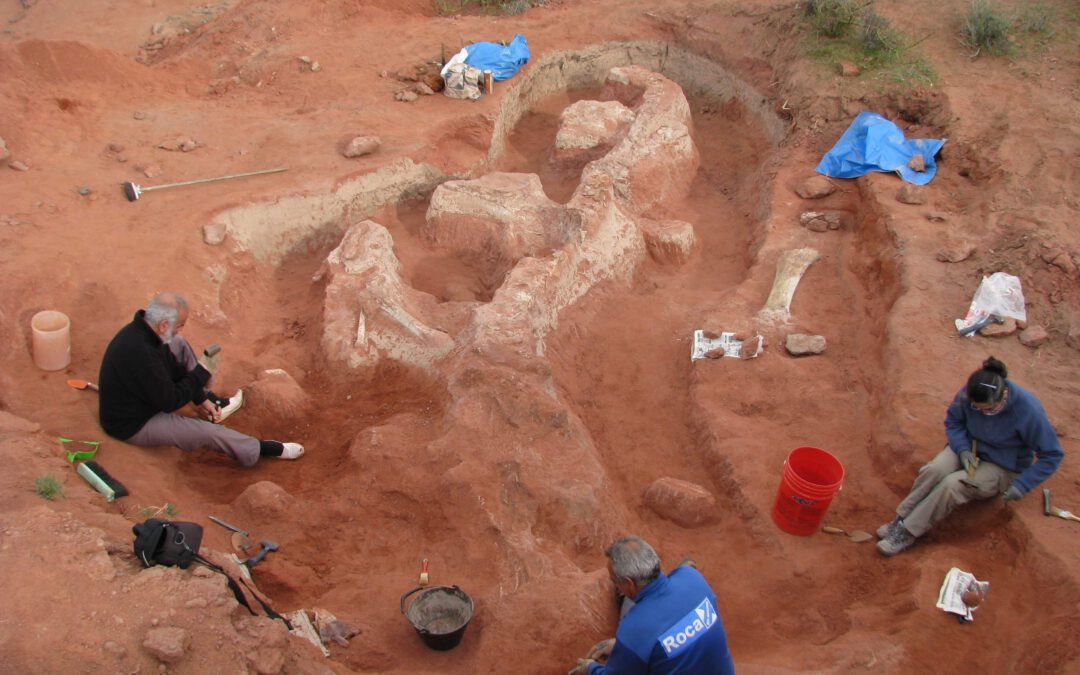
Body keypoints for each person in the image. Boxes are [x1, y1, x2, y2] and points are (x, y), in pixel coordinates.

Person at [877, 356, 1063, 556]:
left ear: (1003, 396)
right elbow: (954, 421)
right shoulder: (970, 393)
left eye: (988, 409)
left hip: (1003, 465)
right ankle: (901, 518)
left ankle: (907, 532)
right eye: (976, 408)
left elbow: (1052, 454)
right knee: (935, 469)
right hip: (970, 446)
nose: (981, 412)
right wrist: (963, 449)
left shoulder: (1028, 411)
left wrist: (1022, 485)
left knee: (953, 485)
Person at [99, 292, 304, 467]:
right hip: (133, 423)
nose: (180, 330)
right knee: (205, 432)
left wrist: (200, 399)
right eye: (179, 325)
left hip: (146, 396)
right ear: (163, 324)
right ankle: (258, 448)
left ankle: (210, 400)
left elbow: (173, 367)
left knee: (177, 343)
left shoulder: (145, 331)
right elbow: (169, 401)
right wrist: (202, 372)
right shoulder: (142, 354)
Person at [571, 536, 735, 674]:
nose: (615, 584)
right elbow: (667, 625)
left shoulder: (634, 627)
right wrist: (624, 646)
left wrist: (590, 668)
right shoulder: (692, 577)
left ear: (629, 583)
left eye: (615, 581)